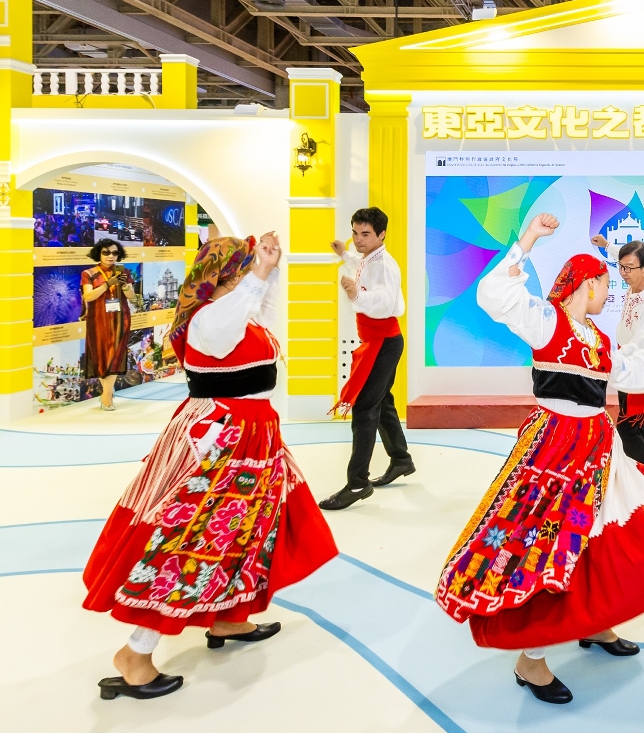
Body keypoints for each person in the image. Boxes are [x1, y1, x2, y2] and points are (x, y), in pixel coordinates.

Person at [438, 213, 644, 705]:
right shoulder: (547, 321)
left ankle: (595, 620)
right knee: (549, 543)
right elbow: (493, 295)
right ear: (586, 284)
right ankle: (531, 660)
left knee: (602, 535)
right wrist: (528, 239)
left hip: (597, 449)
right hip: (554, 450)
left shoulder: (600, 341)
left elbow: (633, 372)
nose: (609, 291)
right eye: (605, 283)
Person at [82, 232, 338, 701]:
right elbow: (235, 316)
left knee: (246, 532)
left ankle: (228, 617)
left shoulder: (236, 311)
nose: (250, 275)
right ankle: (136, 654)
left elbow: (261, 308)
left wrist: (269, 270)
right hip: (221, 440)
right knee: (190, 540)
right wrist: (260, 273)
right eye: (243, 267)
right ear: (227, 275)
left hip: (250, 434)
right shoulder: (209, 319)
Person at [319, 207, 414, 511]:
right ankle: (401, 459)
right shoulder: (370, 257)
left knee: (364, 408)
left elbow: (384, 302)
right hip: (378, 341)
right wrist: (344, 254)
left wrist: (356, 295)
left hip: (383, 343)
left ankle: (358, 483)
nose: (358, 239)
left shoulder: (385, 265)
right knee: (381, 400)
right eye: (355, 233)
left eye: (365, 234)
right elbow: (361, 263)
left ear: (381, 235)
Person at [589, 234, 644, 472]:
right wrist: (606, 245)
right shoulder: (637, 279)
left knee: (627, 427)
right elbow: (623, 257)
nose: (623, 273)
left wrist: (610, 359)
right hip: (627, 360)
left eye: (629, 268)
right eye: (621, 267)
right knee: (635, 422)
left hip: (640, 367)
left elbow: (639, 342)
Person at [81, 239, 139, 411]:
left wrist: (124, 285)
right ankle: (107, 392)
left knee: (116, 354)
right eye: (106, 252)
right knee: (100, 355)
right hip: (98, 319)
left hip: (121, 318)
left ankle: (106, 395)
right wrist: (108, 284)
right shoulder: (89, 273)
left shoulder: (124, 272)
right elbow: (88, 296)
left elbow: (131, 296)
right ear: (98, 254)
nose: (110, 256)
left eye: (114, 253)